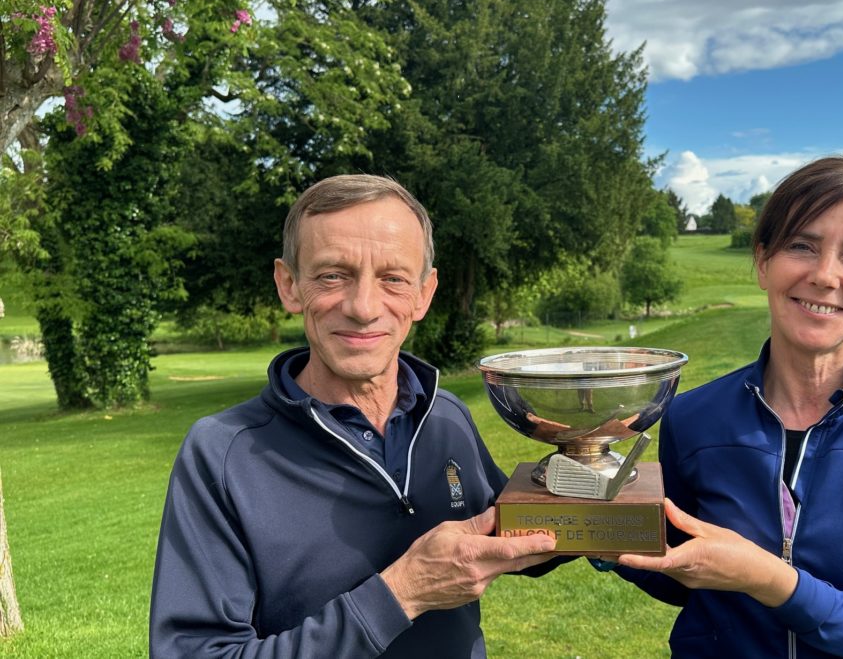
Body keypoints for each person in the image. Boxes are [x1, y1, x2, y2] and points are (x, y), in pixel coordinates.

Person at [149, 175, 557, 657]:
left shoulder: (444, 414)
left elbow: (506, 530)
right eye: (332, 276)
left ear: (424, 294)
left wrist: (596, 494)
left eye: (393, 279)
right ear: (289, 285)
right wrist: (403, 593)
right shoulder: (220, 452)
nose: (363, 308)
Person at [616, 155, 843, 657]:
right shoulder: (691, 415)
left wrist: (771, 580)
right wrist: (609, 537)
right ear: (764, 262)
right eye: (802, 245)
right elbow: (686, 578)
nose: (825, 275)